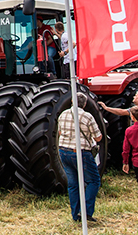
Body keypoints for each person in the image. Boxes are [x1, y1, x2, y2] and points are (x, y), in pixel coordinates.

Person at [57, 92, 103, 222]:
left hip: (64, 151)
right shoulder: (87, 116)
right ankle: (86, 212)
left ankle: (75, 214)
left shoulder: (63, 114)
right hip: (81, 152)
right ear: (85, 103)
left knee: (73, 184)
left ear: (72, 101)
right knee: (93, 181)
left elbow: (60, 132)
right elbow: (98, 137)